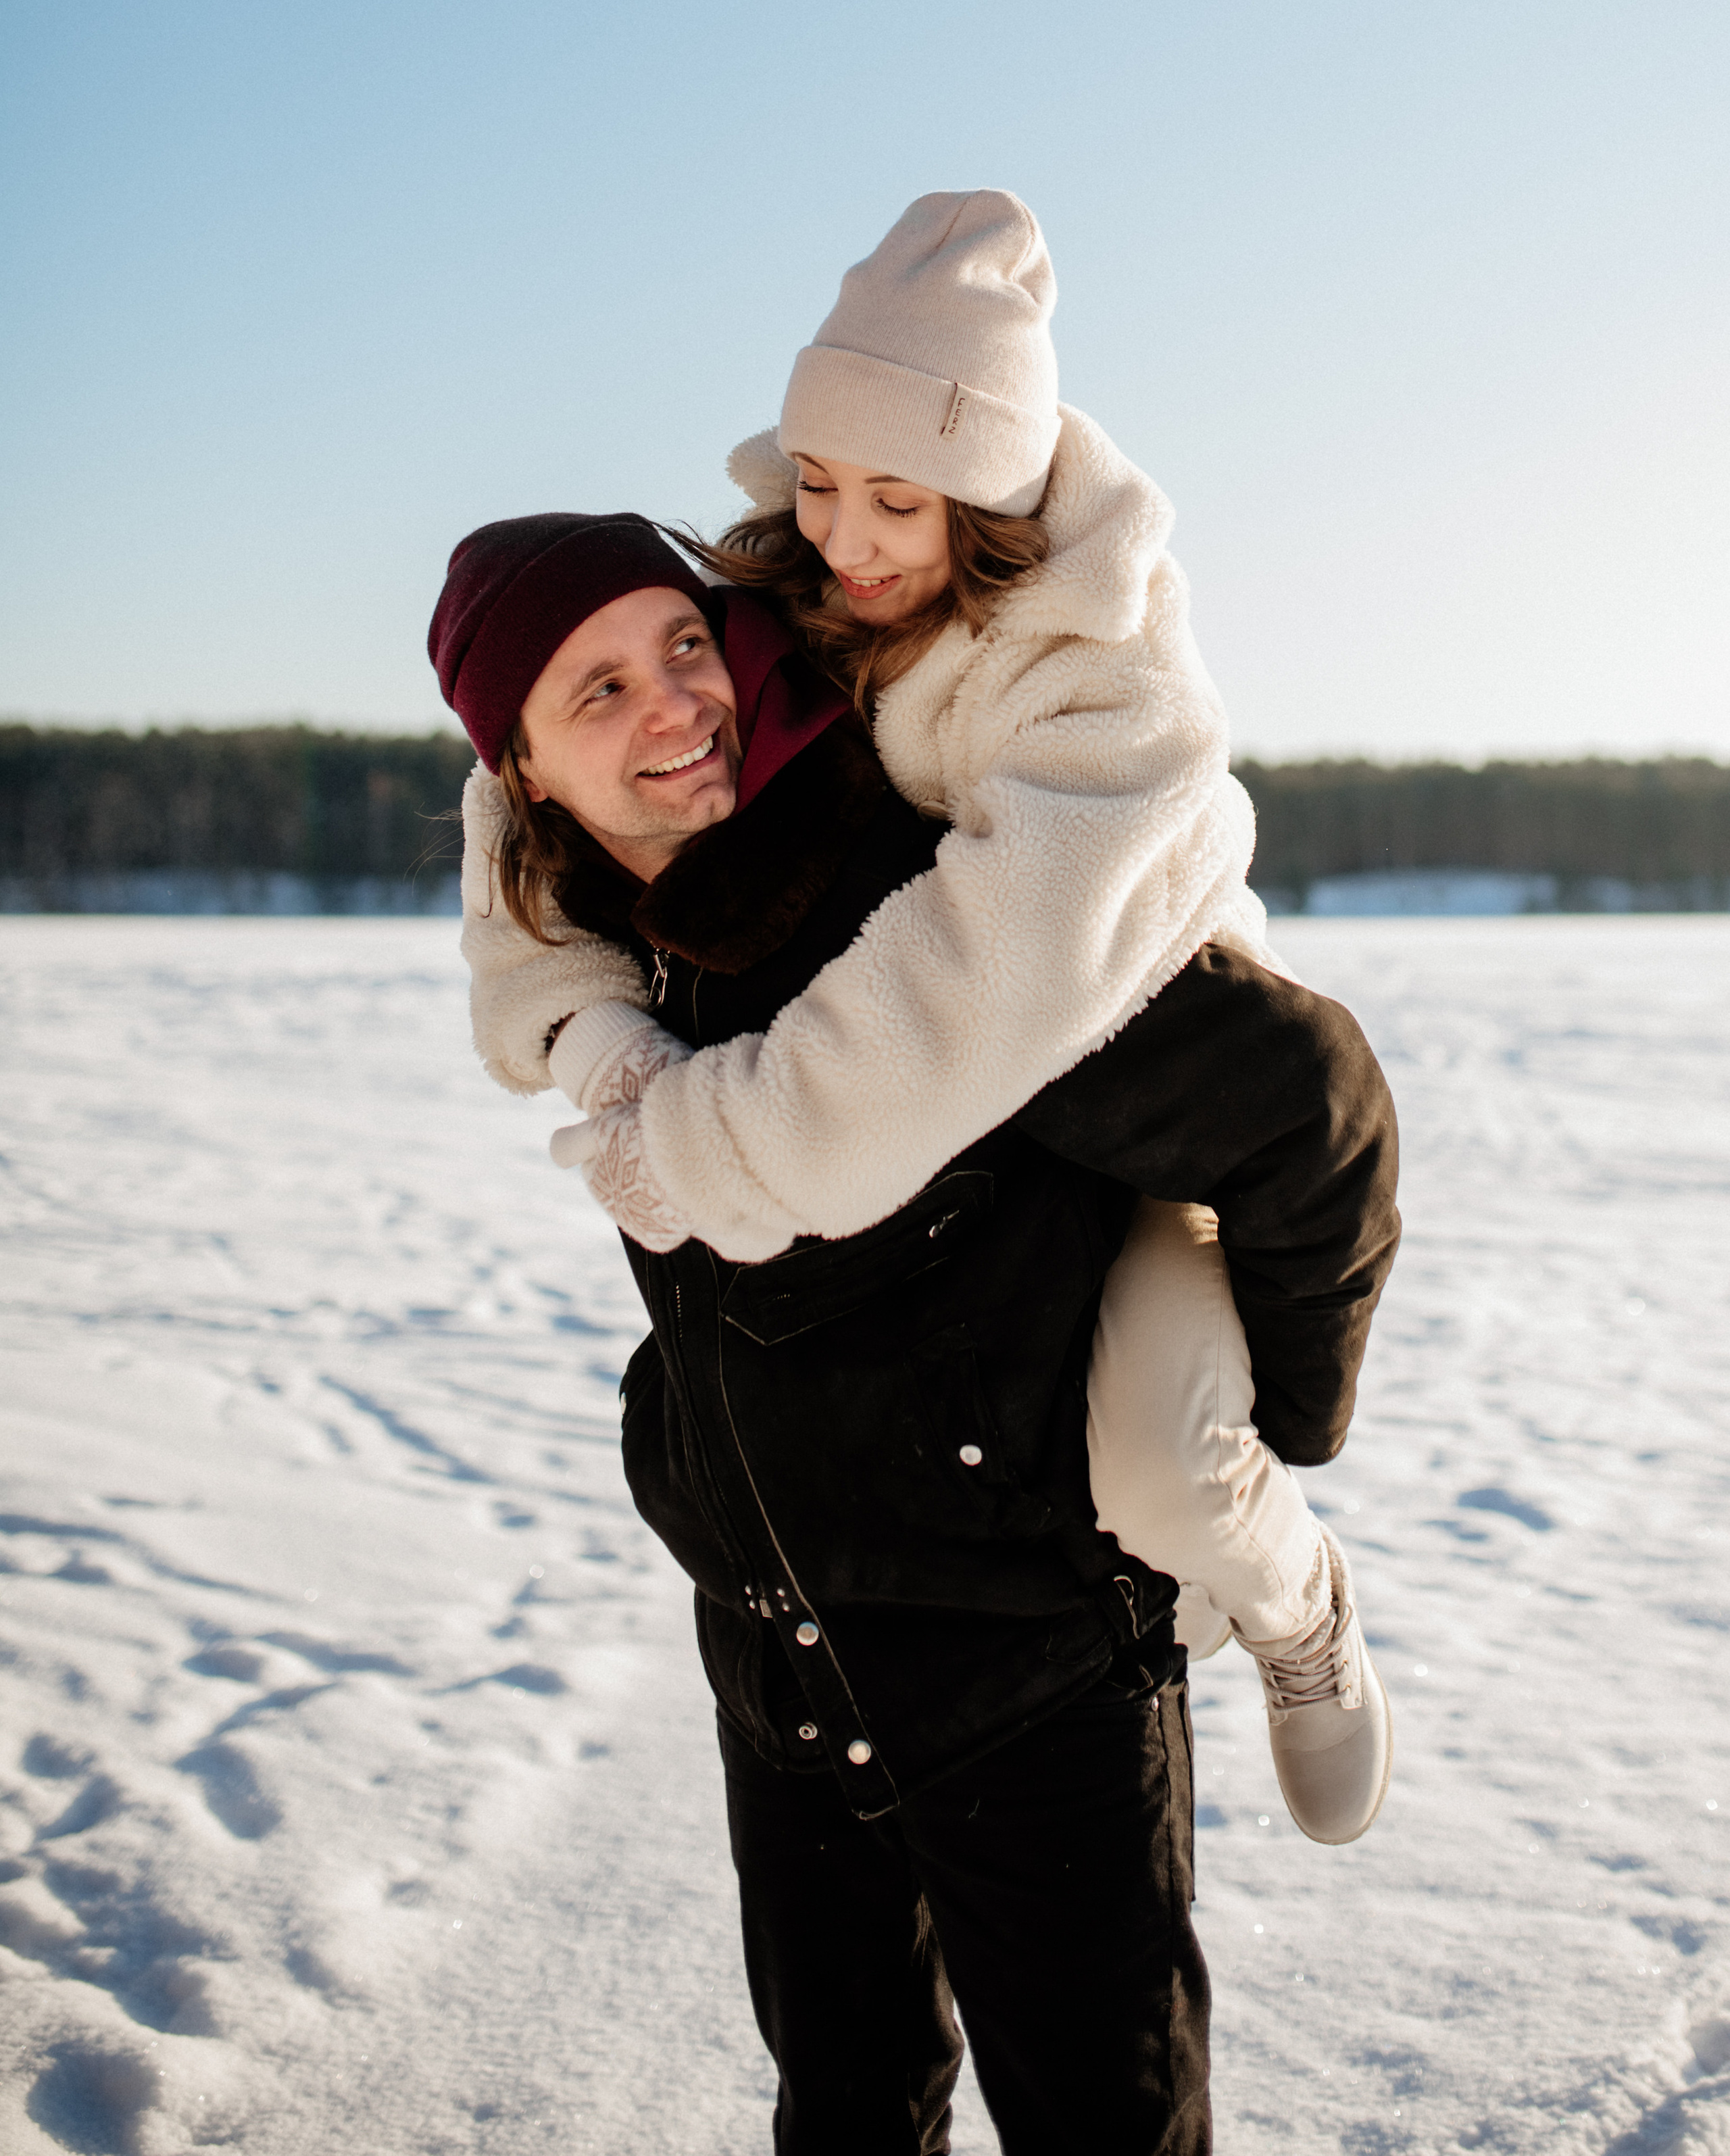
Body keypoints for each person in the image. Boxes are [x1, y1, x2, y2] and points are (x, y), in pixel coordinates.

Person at [426, 512, 1401, 2153]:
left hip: (1027, 1678)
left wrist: (1274, 1435)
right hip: (781, 1667)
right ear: (519, 774)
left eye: (682, 644)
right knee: (846, 2119)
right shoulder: (599, 946)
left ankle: (1299, 1600)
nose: (674, 704)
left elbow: (1306, 1101)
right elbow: (504, 921)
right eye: (597, 691)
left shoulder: (931, 921)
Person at [454, 192, 1393, 1840]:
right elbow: (526, 744)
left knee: (1160, 1470)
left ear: (992, 494)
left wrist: (697, 1153)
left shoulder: (1110, 689)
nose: (847, 539)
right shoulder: (802, 570)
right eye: (816, 480)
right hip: (980, 1117)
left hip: (1148, 1096)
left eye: (898, 501)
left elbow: (961, 994)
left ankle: (1295, 1607)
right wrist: (578, 1023)